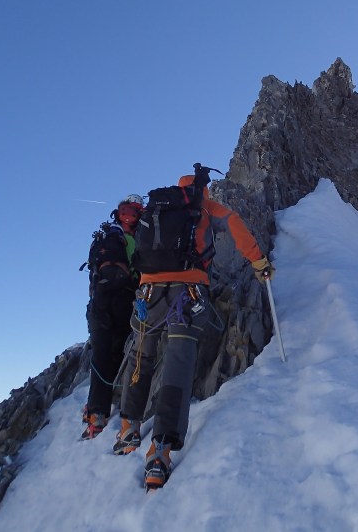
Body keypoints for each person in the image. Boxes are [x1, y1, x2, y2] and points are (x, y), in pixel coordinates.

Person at [113, 171, 274, 489]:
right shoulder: (204, 206)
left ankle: (128, 428)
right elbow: (235, 224)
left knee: (141, 356)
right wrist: (258, 262)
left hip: (148, 294)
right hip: (187, 293)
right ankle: (160, 452)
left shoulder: (158, 208)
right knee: (177, 365)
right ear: (203, 190)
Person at [80, 194, 145, 440]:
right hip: (122, 300)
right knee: (116, 352)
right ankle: (105, 409)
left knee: (104, 354)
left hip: (103, 301)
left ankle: (97, 412)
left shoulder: (109, 236)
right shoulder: (129, 239)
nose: (130, 216)